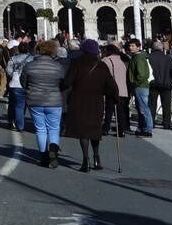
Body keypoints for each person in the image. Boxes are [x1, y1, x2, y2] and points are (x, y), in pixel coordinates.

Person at [60, 39, 116, 172]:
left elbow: (67, 82)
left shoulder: (77, 63)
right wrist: (114, 97)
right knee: (94, 129)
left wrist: (61, 86)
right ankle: (97, 158)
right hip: (96, 101)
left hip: (79, 101)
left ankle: (86, 159)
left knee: (83, 131)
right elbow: (111, 85)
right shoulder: (101, 65)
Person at [24, 40, 66, 167]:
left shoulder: (29, 66)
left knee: (40, 129)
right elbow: (62, 84)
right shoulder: (58, 66)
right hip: (54, 100)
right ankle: (53, 151)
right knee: (54, 128)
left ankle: (43, 156)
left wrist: (30, 90)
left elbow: (23, 82)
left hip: (35, 100)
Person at [100, 42, 130, 136]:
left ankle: (106, 128)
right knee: (120, 111)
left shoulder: (106, 60)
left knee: (109, 110)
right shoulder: (122, 61)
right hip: (123, 89)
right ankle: (121, 130)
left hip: (112, 89)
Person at [126, 38, 153, 137]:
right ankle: (142, 127)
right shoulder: (135, 57)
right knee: (140, 108)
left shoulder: (139, 58)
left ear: (138, 47)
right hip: (139, 86)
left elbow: (142, 74)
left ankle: (148, 129)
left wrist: (135, 83)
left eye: (133, 46)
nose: (130, 47)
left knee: (144, 108)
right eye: (130, 46)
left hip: (140, 86)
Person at [148, 40, 172, 131]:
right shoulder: (167, 58)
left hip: (153, 84)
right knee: (166, 105)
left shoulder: (149, 57)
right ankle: (166, 123)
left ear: (152, 48)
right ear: (162, 48)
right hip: (166, 84)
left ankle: (151, 122)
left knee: (152, 105)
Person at [7, 41, 33, 132]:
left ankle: (19, 124)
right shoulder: (32, 59)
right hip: (29, 83)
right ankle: (21, 122)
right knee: (25, 104)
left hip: (16, 83)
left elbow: (8, 70)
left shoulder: (13, 58)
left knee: (18, 105)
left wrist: (14, 75)